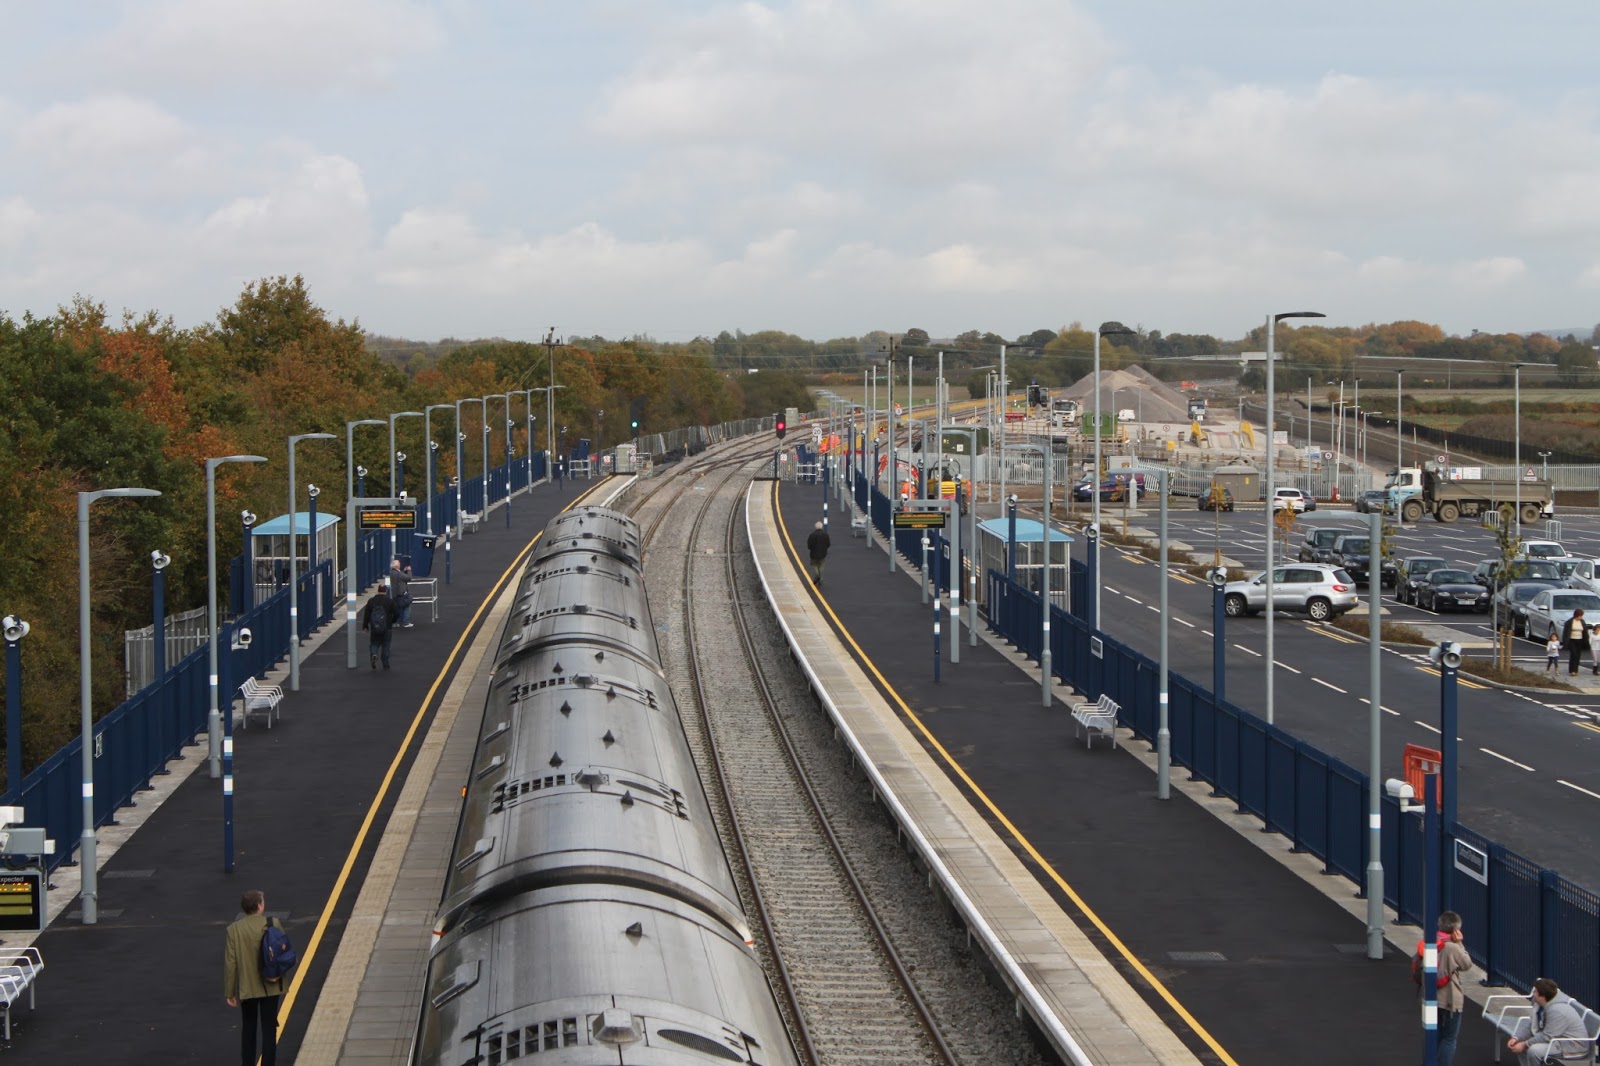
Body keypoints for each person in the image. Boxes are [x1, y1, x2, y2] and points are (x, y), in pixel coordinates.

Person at [224, 889, 285, 1066]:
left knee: (248, 1028)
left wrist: (230, 992)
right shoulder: (273, 923)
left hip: (247, 987)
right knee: (269, 1029)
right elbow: (283, 951)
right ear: (259, 906)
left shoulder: (234, 930)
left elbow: (231, 963)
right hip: (271, 985)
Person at [1508, 977, 1587, 1065]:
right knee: (1521, 1045)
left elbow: (1548, 1036)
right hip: (1557, 1040)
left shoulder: (1558, 1011)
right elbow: (1532, 1026)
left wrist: (1524, 1044)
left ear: (1542, 996)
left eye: (1535, 992)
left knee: (1534, 1050)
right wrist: (1517, 1038)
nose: (1533, 994)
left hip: (1571, 1046)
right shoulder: (1539, 1005)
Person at [1433, 911, 1473, 1066]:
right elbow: (1466, 964)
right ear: (1456, 929)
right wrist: (1459, 943)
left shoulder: (1432, 941)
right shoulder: (1453, 947)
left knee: (1434, 1034)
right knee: (1449, 1039)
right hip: (1450, 998)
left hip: (1433, 996)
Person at [362, 582, 398, 670]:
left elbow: (367, 614)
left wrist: (365, 625)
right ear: (386, 591)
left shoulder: (371, 601)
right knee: (386, 645)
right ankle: (385, 664)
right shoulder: (390, 601)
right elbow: (397, 613)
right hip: (387, 627)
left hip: (375, 628)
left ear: (378, 590)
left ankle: (374, 654)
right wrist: (393, 621)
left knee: (374, 643)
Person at [1562, 608, 1589, 676]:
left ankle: (1576, 669)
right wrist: (1565, 642)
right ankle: (1572, 670)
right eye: (1580, 615)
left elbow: (1585, 631)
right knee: (1573, 654)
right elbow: (1565, 633)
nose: (1581, 617)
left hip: (1580, 640)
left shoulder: (1582, 621)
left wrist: (1587, 641)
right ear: (1576, 615)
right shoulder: (1569, 622)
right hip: (1572, 639)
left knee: (1578, 655)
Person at [389, 557, 414, 627]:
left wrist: (404, 571)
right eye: (399, 564)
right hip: (402, 593)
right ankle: (406, 622)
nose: (400, 565)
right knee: (406, 607)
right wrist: (409, 571)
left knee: (398, 608)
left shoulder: (392, 573)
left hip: (395, 594)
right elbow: (409, 578)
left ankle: (396, 622)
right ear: (396, 566)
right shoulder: (399, 574)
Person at [806, 520, 830, 586]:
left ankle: (817, 576)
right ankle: (820, 578)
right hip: (822, 554)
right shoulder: (825, 535)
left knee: (814, 565)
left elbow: (809, 545)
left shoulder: (812, 535)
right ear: (822, 527)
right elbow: (828, 544)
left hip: (813, 554)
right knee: (821, 566)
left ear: (815, 527)